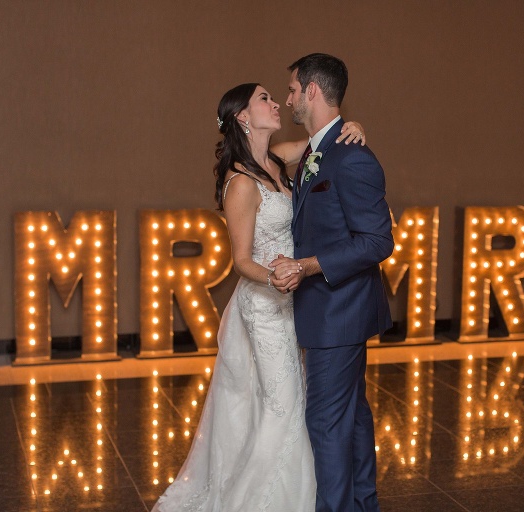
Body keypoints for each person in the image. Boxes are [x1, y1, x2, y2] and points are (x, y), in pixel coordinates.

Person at [152, 82, 366, 512]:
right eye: (265, 99)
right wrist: (276, 278)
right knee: (284, 408)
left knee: (292, 405)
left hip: (293, 302)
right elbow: (241, 261)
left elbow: (320, 141)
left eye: (275, 96)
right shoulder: (241, 182)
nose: (276, 104)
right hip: (266, 305)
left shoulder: (278, 157)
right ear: (243, 117)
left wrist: (353, 127)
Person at [270, 54, 393, 512]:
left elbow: (378, 241)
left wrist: (308, 265)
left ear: (312, 92)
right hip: (328, 311)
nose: (287, 99)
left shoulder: (352, 157)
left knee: (326, 424)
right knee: (352, 419)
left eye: (291, 90)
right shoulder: (313, 151)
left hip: (338, 312)